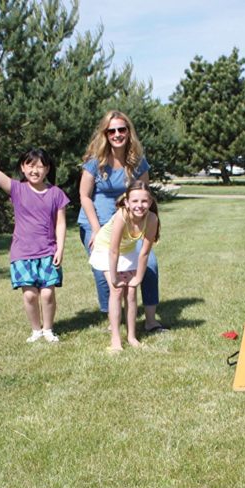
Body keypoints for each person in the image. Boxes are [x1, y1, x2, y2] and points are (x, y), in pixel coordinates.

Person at [78, 110, 166, 333]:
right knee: (106, 269)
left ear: (128, 131)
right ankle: (113, 320)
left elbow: (143, 194)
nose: (117, 134)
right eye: (112, 130)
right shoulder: (94, 162)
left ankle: (150, 320)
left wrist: (149, 225)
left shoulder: (138, 162)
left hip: (131, 222)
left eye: (121, 129)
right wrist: (96, 230)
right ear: (105, 134)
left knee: (150, 265)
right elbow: (84, 196)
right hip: (97, 222)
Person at [0, 128, 69, 343]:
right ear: (23, 167)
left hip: (48, 251)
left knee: (47, 293)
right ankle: (36, 330)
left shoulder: (56, 194)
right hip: (22, 253)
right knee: (30, 294)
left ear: (47, 169)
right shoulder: (17, 189)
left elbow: (61, 222)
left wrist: (60, 248)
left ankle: (48, 329)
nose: (35, 170)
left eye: (40, 166)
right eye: (30, 165)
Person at [88, 180, 161, 352]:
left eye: (144, 201)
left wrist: (138, 278)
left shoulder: (151, 219)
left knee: (131, 291)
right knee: (117, 290)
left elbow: (144, 252)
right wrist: (113, 277)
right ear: (127, 202)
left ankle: (131, 336)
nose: (140, 205)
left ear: (150, 202)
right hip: (105, 249)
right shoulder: (122, 216)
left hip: (127, 252)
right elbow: (113, 250)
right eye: (135, 201)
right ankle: (115, 339)